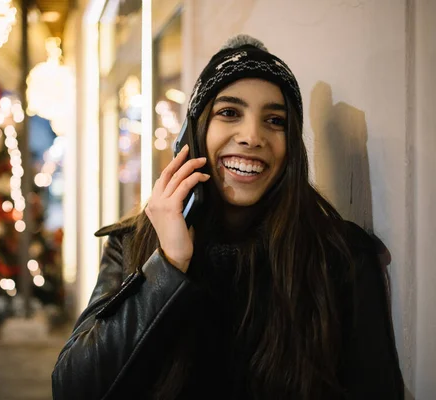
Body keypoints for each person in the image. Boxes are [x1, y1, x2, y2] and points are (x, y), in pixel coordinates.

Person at [52, 35, 404, 400]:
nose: (252, 136)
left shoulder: (340, 256)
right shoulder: (131, 244)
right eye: (229, 113)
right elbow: (73, 389)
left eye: (275, 120)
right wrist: (168, 264)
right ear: (194, 133)